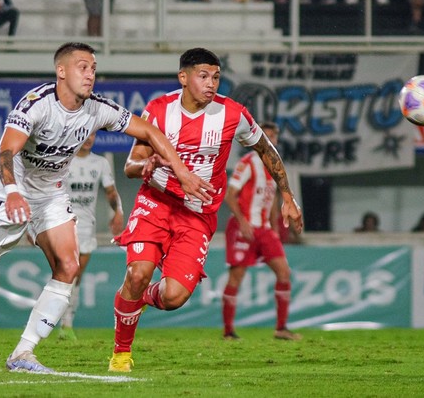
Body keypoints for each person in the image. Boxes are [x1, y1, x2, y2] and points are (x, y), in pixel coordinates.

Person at [0, 42, 212, 373]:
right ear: (61, 71)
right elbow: (6, 152)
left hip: (50, 195)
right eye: (83, 67)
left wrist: (181, 171)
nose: (90, 75)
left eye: (94, 68)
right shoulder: (36, 104)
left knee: (69, 267)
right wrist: (12, 191)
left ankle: (23, 353)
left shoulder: (98, 108)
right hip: (7, 192)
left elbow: (149, 131)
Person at [108, 47, 304, 372]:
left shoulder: (232, 114)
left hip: (197, 214)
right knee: (138, 273)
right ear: (183, 78)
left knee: (174, 297)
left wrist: (287, 195)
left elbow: (265, 148)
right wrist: (148, 164)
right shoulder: (159, 110)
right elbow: (131, 165)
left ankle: (136, 297)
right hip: (156, 203)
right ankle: (121, 355)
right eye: (203, 76)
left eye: (216, 77)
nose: (211, 83)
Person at [221, 122, 302, 341]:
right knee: (236, 277)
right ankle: (228, 331)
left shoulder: (274, 165)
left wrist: (275, 227)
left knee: (284, 273)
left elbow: (273, 198)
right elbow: (230, 195)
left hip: (264, 229)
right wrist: (242, 222)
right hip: (244, 227)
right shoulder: (247, 163)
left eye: (274, 136)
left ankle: (281, 328)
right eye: (267, 136)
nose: (271, 139)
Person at [58, 131, 124, 341]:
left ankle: (66, 322)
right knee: (67, 272)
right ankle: (57, 320)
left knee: (76, 275)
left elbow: (111, 191)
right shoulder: (64, 161)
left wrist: (117, 212)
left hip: (87, 226)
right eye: (85, 134)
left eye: (93, 135)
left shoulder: (100, 163)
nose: (89, 139)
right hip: (64, 223)